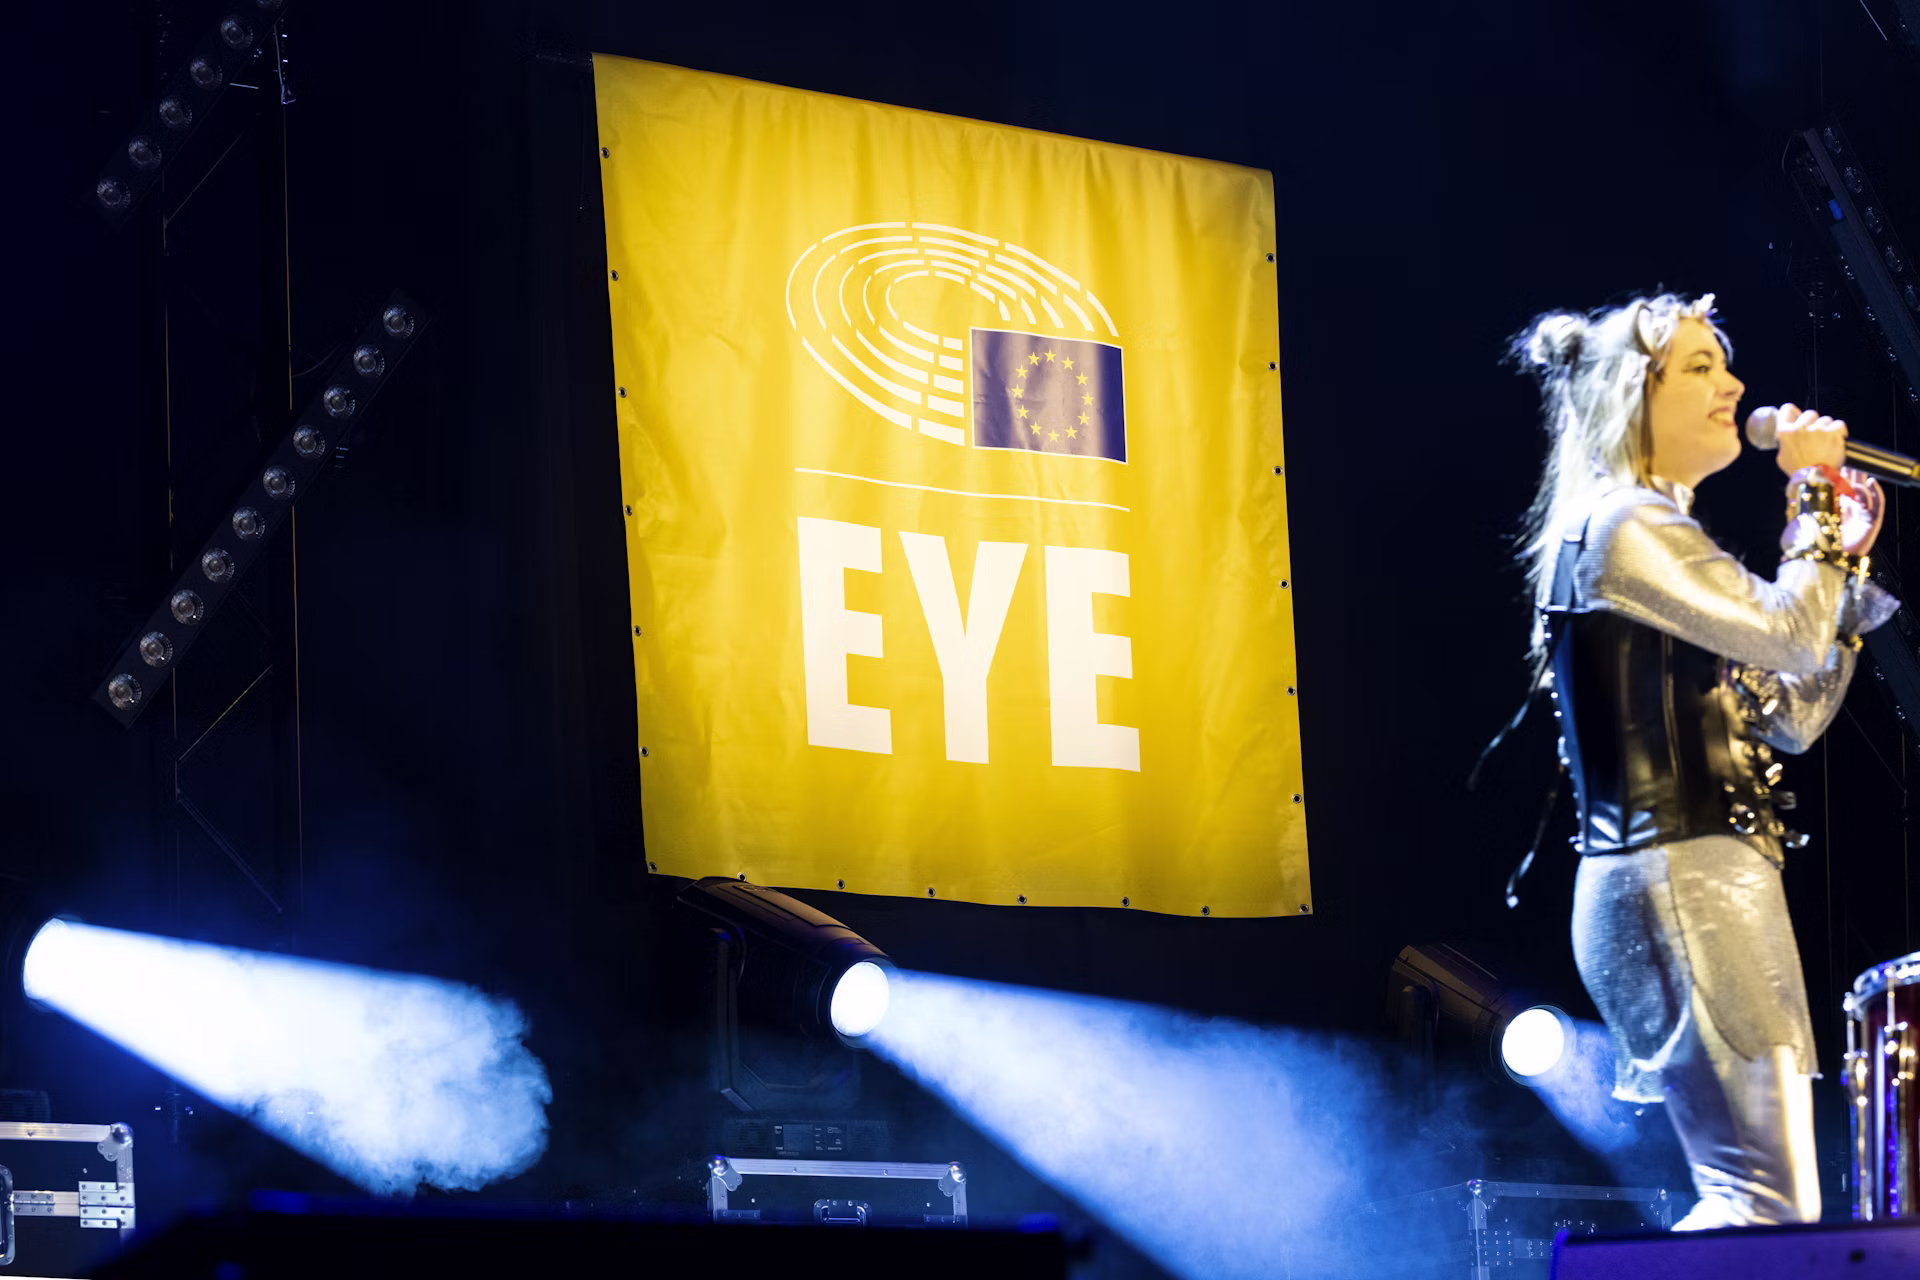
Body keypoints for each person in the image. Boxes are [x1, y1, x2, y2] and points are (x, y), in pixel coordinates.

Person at [1511, 292, 1896, 1229]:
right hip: (1683, 876)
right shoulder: (1624, 526)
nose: (1734, 387)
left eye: (1724, 366)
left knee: (1764, 1206)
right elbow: (1791, 635)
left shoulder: (1650, 535)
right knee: (1764, 1205)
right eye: (1699, 367)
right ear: (1630, 396)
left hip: (1695, 878)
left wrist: (1837, 562)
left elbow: (1790, 715)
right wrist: (1815, 502)